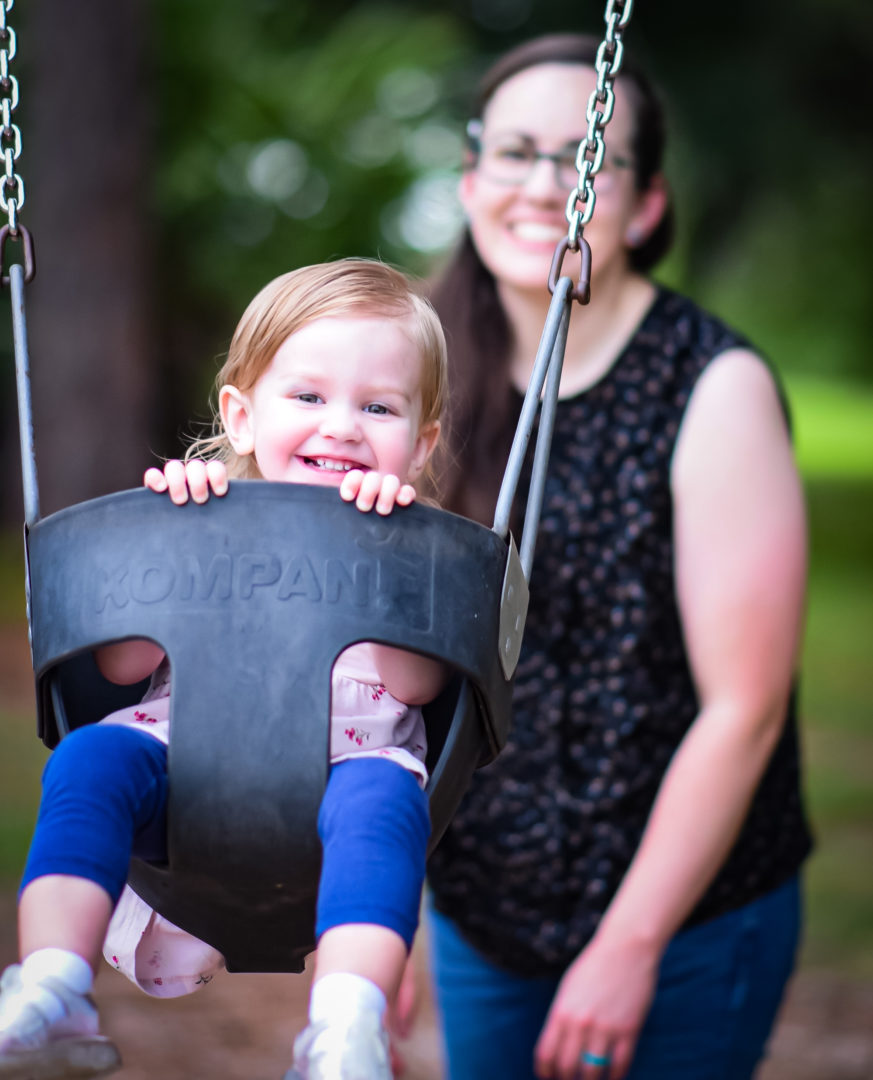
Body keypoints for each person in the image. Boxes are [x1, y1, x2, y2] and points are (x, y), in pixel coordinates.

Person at [418, 32, 812, 1080]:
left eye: (582, 156)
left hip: (683, 920)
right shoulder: (423, 385)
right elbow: (399, 672)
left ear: (642, 205)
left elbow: (746, 708)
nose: (547, 183)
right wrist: (379, 918)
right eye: (515, 152)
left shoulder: (710, 388)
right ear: (468, 182)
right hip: (482, 912)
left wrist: (629, 947)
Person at [0, 258, 447, 1080]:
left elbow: (415, 684)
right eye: (308, 397)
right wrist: (172, 543)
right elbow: (127, 661)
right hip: (185, 774)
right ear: (242, 418)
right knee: (90, 756)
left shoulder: (413, 548)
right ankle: (53, 983)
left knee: (389, 795)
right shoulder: (201, 514)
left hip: (345, 782)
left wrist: (386, 560)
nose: (342, 425)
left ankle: (346, 1031)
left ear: (417, 445)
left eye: (377, 407)